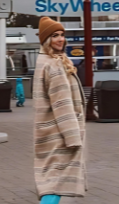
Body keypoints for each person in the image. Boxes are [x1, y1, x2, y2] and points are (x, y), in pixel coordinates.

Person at [33, 17, 87, 203]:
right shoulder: (53, 64)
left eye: (62, 35)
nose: (60, 39)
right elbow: (61, 103)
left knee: (51, 179)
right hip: (60, 134)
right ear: (46, 39)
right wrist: (73, 137)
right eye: (55, 35)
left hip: (48, 130)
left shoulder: (45, 60)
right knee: (54, 182)